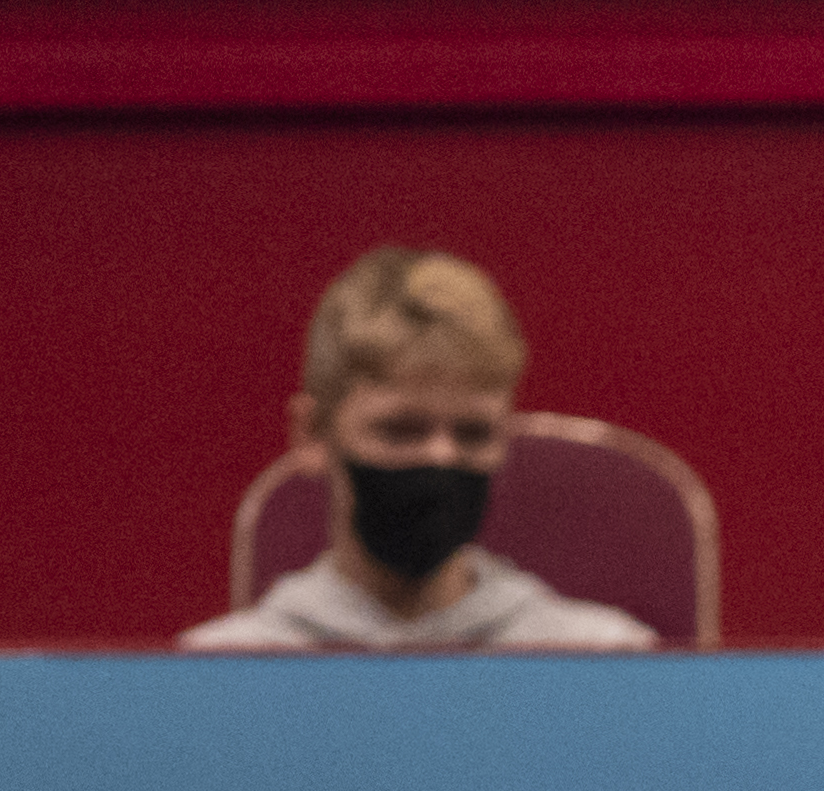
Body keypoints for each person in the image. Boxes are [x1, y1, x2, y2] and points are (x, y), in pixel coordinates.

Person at [183, 250, 657, 654]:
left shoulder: (601, 663)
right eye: (400, 430)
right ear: (312, 435)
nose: (440, 458)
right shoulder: (221, 672)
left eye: (472, 433)